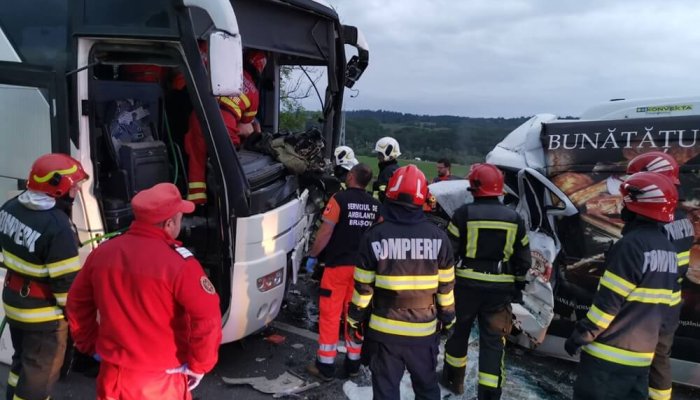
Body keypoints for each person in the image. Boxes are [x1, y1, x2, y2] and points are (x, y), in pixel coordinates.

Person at [66, 183, 222, 399]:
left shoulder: (103, 252)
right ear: (169, 224)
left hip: (113, 377)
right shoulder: (180, 265)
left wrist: (91, 345)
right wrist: (199, 365)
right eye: (179, 219)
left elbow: (76, 302)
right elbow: (208, 317)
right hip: (159, 383)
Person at [565, 172, 679, 400]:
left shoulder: (631, 246)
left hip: (607, 361)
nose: (621, 205)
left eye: (625, 200)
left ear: (636, 205)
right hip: (640, 359)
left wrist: (582, 334)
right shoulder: (667, 249)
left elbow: (608, 304)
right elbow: (666, 310)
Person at [347, 164, 456, 400]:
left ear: (390, 194)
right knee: (427, 390)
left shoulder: (374, 235)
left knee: (386, 392)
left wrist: (354, 319)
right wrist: (448, 321)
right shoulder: (440, 238)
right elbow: (446, 290)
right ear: (423, 198)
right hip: (424, 333)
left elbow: (363, 289)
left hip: (384, 332)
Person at [0, 153, 87, 400]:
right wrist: (80, 323)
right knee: (40, 377)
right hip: (43, 317)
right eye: (74, 187)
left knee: (22, 364)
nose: (77, 192)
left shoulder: (11, 206)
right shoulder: (57, 227)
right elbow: (66, 288)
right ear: (58, 189)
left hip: (14, 303)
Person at [442, 162, 531, 399]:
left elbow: (448, 254)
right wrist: (518, 287)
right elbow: (524, 259)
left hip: (465, 287)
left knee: (458, 334)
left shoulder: (463, 215)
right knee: (493, 342)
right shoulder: (514, 219)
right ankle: (489, 393)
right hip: (499, 291)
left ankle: (453, 381)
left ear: (474, 187)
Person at [626, 152, 693, 400]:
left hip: (646, 305)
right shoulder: (682, 217)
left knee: (631, 358)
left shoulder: (656, 221)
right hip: (670, 301)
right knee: (660, 358)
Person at [304, 163, 381, 381]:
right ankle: (353, 364)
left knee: (330, 315)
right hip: (363, 272)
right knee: (355, 317)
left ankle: (325, 365)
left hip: (337, 267)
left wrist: (312, 255)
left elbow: (325, 232)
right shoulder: (376, 206)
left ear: (351, 176)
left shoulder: (339, 199)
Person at [184, 49, 267, 204]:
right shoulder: (254, 92)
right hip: (226, 126)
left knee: (196, 159)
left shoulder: (224, 70)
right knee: (228, 169)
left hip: (199, 116)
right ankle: (226, 205)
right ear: (259, 71)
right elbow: (246, 124)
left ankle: (197, 203)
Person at [371, 136, 401, 202]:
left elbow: (382, 197)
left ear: (388, 153)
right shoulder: (395, 169)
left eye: (380, 154)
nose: (378, 157)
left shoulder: (387, 172)